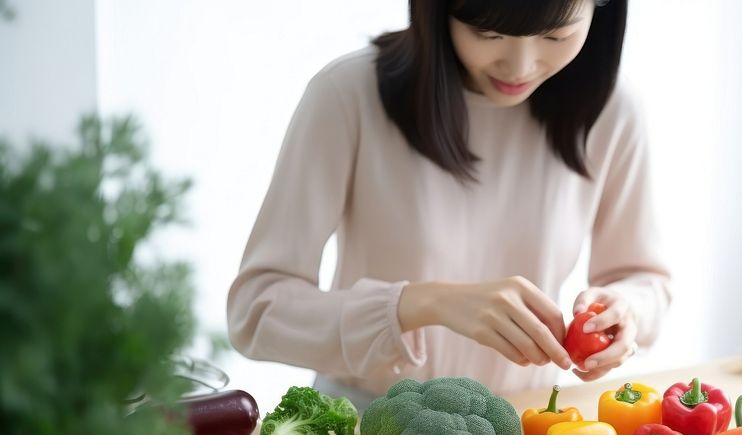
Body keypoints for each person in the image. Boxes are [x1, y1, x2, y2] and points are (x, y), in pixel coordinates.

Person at [228, 0, 670, 409]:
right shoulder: (348, 94)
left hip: (525, 429)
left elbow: (645, 282)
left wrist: (624, 309)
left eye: (555, 35)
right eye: (488, 33)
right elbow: (257, 310)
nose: (521, 65)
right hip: (363, 428)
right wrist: (422, 304)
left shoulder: (612, 111)